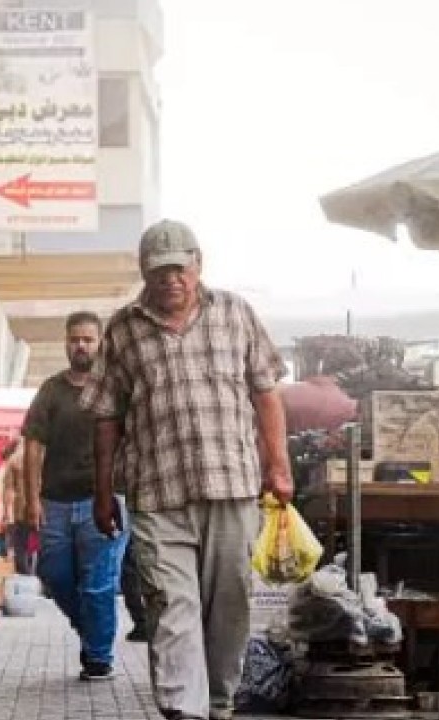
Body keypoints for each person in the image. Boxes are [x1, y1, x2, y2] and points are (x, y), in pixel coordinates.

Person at [80, 219, 293, 720]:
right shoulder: (124, 329)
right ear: (143, 273)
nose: (170, 280)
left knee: (230, 606)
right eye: (159, 271)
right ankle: (183, 709)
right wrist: (102, 492)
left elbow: (267, 394)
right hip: (158, 492)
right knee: (170, 605)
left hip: (232, 484)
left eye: (179, 268)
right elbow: (107, 416)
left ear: (198, 266)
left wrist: (278, 465)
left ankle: (219, 703)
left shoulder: (236, 313)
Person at [23, 311, 129, 681]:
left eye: (88, 339)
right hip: (54, 501)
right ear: (65, 343)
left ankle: (98, 658)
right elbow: (33, 445)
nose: (81, 345)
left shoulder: (116, 388)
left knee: (98, 582)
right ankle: (94, 634)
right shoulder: (52, 390)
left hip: (103, 500)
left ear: (100, 343)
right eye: (74, 339)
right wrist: (31, 498)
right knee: (53, 575)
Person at [0, 437, 36, 574]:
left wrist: (7, 513)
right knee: (37, 545)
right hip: (43, 508)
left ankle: (25, 576)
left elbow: (8, 490)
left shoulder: (14, 460)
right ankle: (35, 575)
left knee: (21, 546)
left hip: (21, 510)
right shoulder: (44, 456)